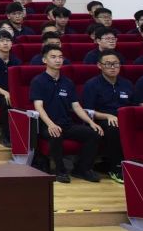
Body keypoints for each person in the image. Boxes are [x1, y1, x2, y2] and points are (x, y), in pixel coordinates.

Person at [30, 47, 102, 183]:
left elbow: (76, 106)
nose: (58, 60)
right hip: (46, 125)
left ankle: (82, 169)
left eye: (60, 57)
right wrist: (50, 124)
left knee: (93, 134)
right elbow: (38, 106)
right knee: (56, 134)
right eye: (53, 57)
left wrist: (91, 122)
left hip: (67, 124)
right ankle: (60, 171)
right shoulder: (38, 81)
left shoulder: (67, 82)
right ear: (44, 60)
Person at [81, 50, 135, 182]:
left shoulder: (127, 83)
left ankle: (138, 166)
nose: (113, 67)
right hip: (101, 120)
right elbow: (88, 110)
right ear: (99, 66)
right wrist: (107, 116)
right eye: (108, 64)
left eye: (116, 64)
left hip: (124, 119)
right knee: (114, 128)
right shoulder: (92, 84)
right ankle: (116, 168)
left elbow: (133, 107)